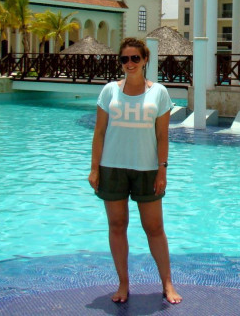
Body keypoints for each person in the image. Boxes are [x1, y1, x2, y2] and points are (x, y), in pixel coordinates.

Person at [88, 37, 182, 305]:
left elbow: (162, 136)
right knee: (117, 226)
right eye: (124, 59)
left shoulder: (159, 93)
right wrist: (94, 169)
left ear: (145, 60)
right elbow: (99, 132)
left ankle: (167, 283)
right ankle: (123, 283)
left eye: (135, 58)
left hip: (147, 169)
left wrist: (162, 170)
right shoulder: (109, 91)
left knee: (154, 228)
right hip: (112, 167)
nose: (129, 63)